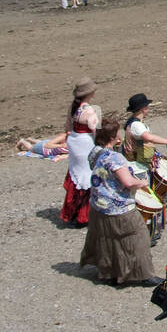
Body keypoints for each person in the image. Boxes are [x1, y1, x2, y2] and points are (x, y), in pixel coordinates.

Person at [79, 117, 157, 285]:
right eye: (116, 134)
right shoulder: (115, 158)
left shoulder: (95, 152)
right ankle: (144, 275)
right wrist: (142, 182)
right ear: (112, 137)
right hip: (118, 208)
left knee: (108, 239)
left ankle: (109, 272)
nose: (119, 137)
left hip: (98, 205)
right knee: (139, 235)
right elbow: (128, 182)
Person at [62, 78, 100, 225]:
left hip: (74, 142)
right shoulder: (91, 110)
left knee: (76, 175)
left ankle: (73, 212)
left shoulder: (73, 107)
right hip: (85, 143)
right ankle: (83, 216)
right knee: (87, 176)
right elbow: (96, 130)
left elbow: (67, 127)